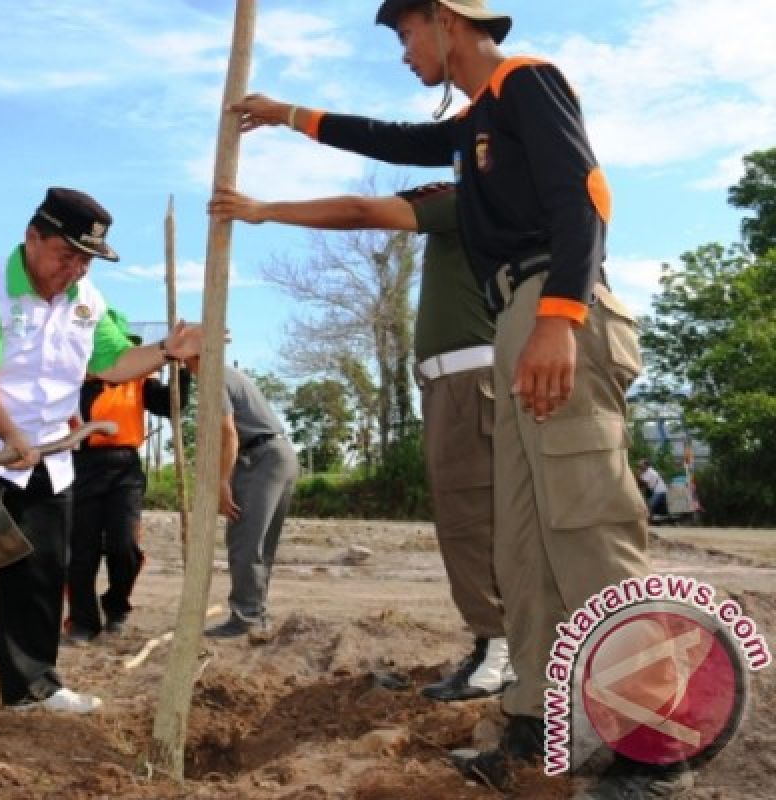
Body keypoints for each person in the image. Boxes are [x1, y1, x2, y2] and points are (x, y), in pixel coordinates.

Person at [229, 2, 673, 794]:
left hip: (554, 313)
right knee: (526, 551)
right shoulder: (477, 125)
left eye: (404, 35)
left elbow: (587, 196)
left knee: (588, 528)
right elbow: (392, 140)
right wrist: (290, 115)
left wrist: (560, 318)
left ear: (445, 20)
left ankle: (656, 748)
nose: (402, 54)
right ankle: (539, 731)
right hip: (518, 317)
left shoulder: (526, 84)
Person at [209, 182, 513, 700]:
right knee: (475, 521)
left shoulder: (474, 196)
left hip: (470, 382)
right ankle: (500, 646)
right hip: (461, 382)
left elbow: (361, 210)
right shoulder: (474, 203)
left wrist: (265, 208)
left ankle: (501, 650)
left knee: (471, 524)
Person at [0, 187, 203, 714]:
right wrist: (9, 436)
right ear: (32, 237)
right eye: (66, 255)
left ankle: (32, 687)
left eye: (85, 259)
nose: (75, 269)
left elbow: (111, 364)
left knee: (41, 568)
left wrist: (164, 352)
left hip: (48, 453)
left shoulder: (89, 301)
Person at [67, 309, 191, 643]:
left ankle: (117, 605)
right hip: (80, 466)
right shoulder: (71, 382)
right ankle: (82, 621)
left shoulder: (138, 381)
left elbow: (171, 406)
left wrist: (181, 370)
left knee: (124, 547)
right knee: (82, 550)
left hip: (124, 468)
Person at [184, 355, 300, 638]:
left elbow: (228, 435)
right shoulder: (227, 373)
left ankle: (247, 617)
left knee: (246, 540)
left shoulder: (213, 378)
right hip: (279, 454)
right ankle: (254, 613)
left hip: (261, 457)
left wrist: (222, 482)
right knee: (258, 542)